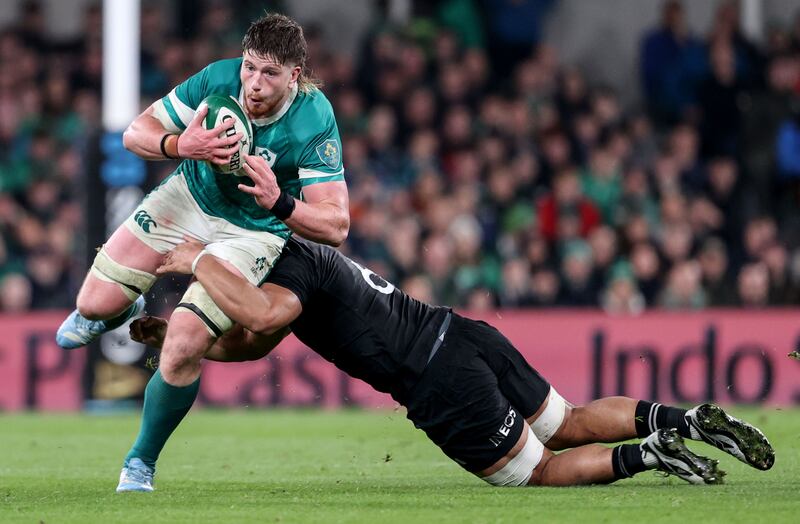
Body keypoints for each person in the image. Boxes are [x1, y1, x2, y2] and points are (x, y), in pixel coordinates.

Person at [125, 237, 775, 491]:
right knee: (567, 419)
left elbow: (262, 320)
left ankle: (654, 453)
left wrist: (197, 261)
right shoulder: (303, 259)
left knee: (537, 473)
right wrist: (201, 341)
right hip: (461, 333)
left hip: (439, 380)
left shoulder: (284, 271)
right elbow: (260, 339)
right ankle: (683, 419)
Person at [53, 14, 350, 491]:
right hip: (187, 199)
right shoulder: (217, 79)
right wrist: (179, 143)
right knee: (91, 306)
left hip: (252, 231)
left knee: (184, 341)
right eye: (250, 68)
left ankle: (139, 462)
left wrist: (280, 201)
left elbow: (336, 225)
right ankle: (119, 303)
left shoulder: (314, 117)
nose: (253, 83)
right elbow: (134, 134)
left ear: (295, 74)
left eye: (269, 73)